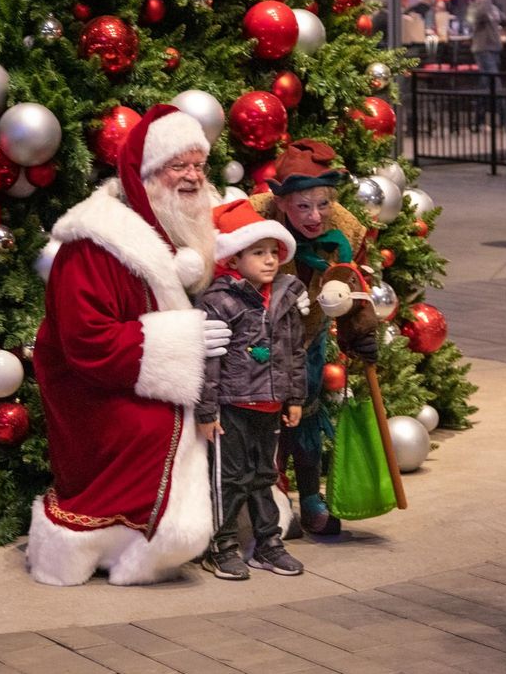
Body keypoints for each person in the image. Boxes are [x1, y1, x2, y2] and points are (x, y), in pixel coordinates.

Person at [26, 105, 230, 587]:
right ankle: (114, 542)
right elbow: (85, 341)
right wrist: (183, 340)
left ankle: (210, 533)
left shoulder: (180, 228)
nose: (192, 178)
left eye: (199, 166)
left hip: (142, 373)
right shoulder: (95, 244)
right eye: (178, 167)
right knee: (156, 429)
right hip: (92, 384)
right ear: (145, 176)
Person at [250, 139, 374, 536]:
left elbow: (354, 286)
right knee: (264, 417)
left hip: (309, 334)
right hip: (258, 335)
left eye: (323, 204)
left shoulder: (347, 229)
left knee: (308, 410)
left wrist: (360, 331)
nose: (316, 216)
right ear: (283, 203)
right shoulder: (252, 220)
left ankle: (311, 499)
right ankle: (271, 501)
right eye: (303, 206)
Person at [195, 200, 307, 580]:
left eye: (273, 252)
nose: (269, 260)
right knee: (229, 479)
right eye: (257, 253)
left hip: (271, 406)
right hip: (232, 408)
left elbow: (294, 351)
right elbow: (209, 362)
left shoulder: (286, 297)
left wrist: (293, 398)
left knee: (264, 476)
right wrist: (207, 412)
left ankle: (267, 544)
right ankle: (222, 546)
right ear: (234, 258)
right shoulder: (220, 301)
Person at [464, 0, 506, 128]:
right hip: (483, 49)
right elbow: (472, 20)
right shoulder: (475, 7)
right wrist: (484, 0)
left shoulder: (493, 8)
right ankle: (505, 119)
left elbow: (504, 19)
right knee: (495, 82)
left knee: (485, 84)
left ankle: (479, 120)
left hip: (495, 48)